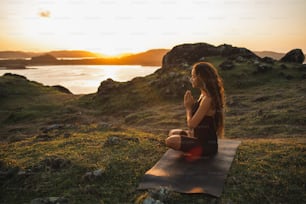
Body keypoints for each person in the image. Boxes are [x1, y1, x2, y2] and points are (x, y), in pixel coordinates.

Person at [165, 62, 225, 159]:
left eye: (193, 76)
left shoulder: (207, 99)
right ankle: (191, 142)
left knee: (170, 141)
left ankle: (196, 150)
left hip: (206, 146)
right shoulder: (203, 95)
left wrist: (188, 107)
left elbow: (192, 124)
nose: (191, 79)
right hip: (197, 137)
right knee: (173, 132)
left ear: (200, 78)